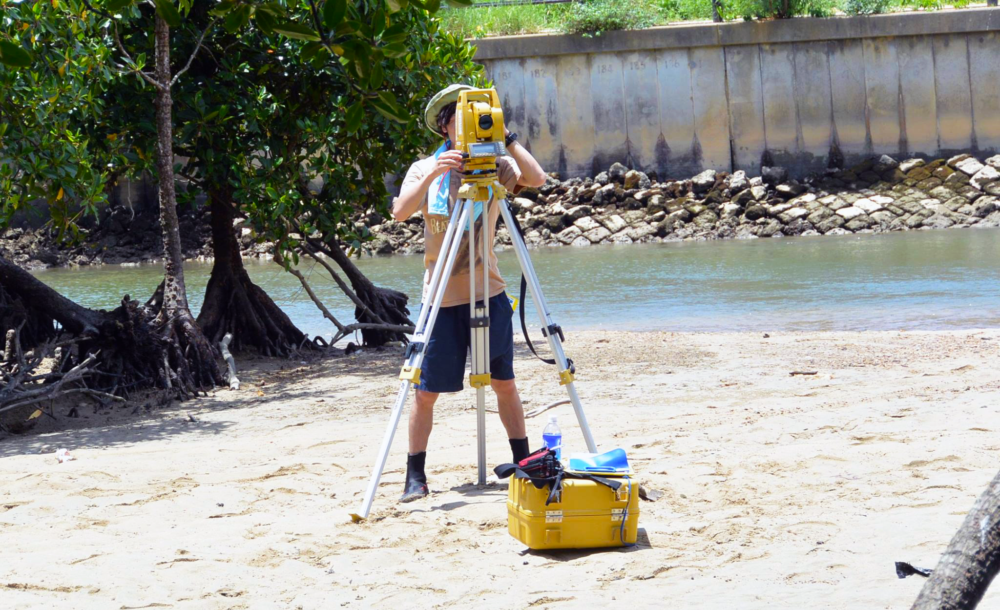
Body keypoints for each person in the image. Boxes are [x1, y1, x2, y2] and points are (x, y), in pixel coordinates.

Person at [391, 84, 547, 502]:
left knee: (505, 383)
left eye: (480, 113)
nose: (472, 121)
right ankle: (415, 475)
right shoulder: (426, 168)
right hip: (441, 298)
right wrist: (439, 171)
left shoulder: (495, 165)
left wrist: (507, 139)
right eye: (464, 114)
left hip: (488, 293)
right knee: (426, 393)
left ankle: (524, 462)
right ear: (445, 124)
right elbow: (400, 211)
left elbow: (537, 179)